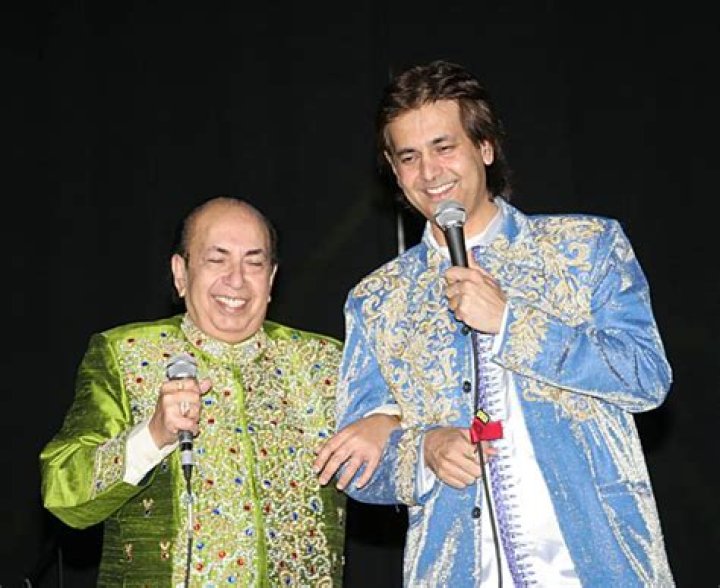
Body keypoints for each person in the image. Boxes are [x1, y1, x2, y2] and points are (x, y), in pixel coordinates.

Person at [314, 60, 674, 586]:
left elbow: (646, 377)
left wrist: (512, 322)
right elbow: (355, 465)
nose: (430, 173)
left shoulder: (584, 248)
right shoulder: (377, 300)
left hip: (598, 564)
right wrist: (424, 449)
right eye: (409, 157)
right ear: (393, 169)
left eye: (444, 147)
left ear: (485, 148)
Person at [40, 196, 393, 587]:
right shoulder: (126, 354)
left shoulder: (325, 362)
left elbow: (416, 448)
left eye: (254, 263)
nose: (236, 279)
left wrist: (389, 421)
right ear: (181, 273)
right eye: (216, 259)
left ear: (271, 279)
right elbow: (62, 494)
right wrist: (153, 435)